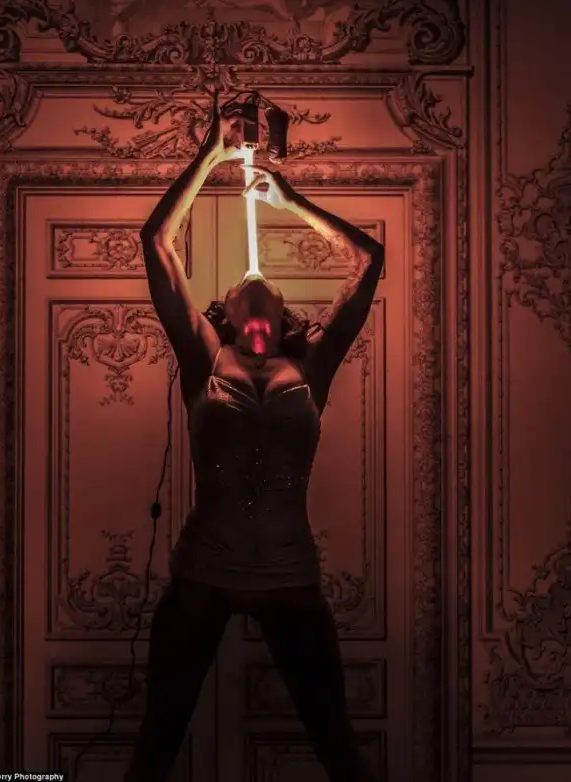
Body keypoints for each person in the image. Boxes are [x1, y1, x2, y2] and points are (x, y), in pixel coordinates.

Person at [127, 92, 385, 782]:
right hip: (204, 572)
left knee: (338, 746)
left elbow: (370, 260)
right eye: (244, 280)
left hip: (290, 575)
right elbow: (155, 242)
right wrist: (210, 153)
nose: (255, 275)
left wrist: (290, 200)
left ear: (284, 309)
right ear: (227, 311)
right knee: (157, 745)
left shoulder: (313, 367)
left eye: (266, 278)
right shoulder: (205, 360)